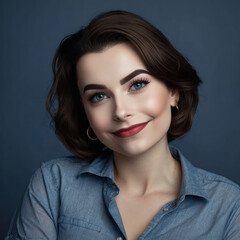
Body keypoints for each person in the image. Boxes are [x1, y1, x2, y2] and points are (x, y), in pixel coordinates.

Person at [5, 10, 240, 240]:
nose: (121, 111)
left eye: (137, 85)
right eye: (98, 96)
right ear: (85, 111)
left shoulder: (229, 207)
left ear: (173, 92)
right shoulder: (53, 185)